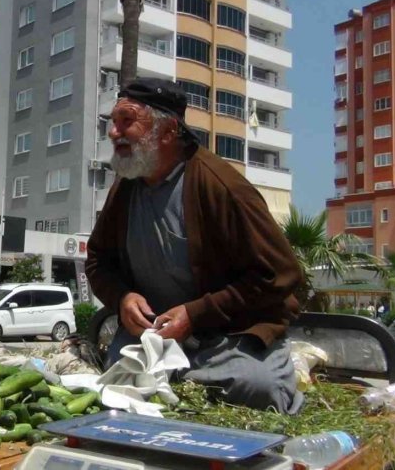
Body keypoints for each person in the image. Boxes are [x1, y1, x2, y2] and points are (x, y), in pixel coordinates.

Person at [86, 78, 304, 414]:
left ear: (168, 131)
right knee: (118, 388)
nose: (115, 133)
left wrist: (195, 314)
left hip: (226, 335)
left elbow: (280, 275)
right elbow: (99, 260)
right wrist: (122, 298)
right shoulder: (126, 187)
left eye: (127, 121)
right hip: (152, 336)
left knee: (255, 387)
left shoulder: (222, 187)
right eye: (114, 122)